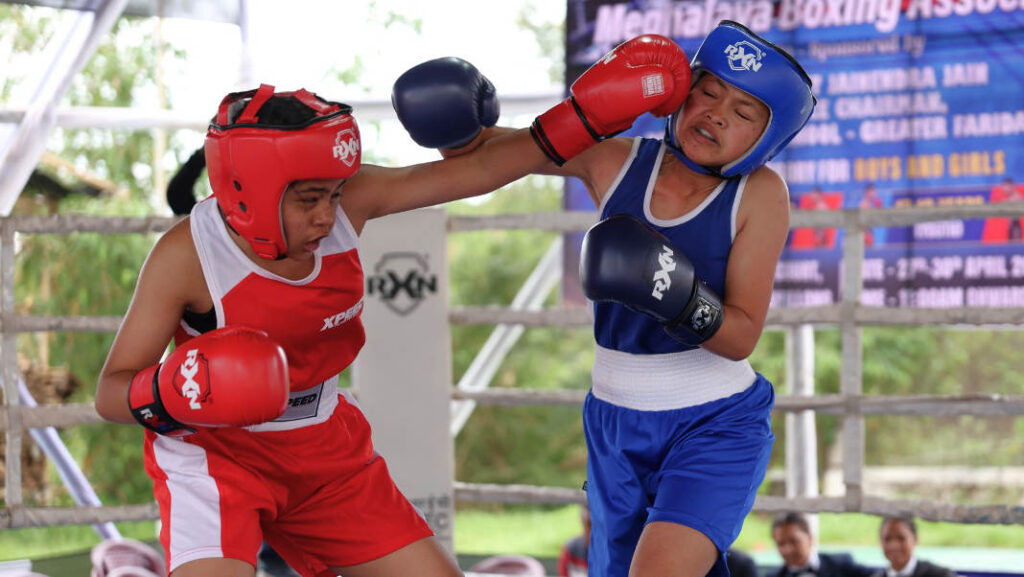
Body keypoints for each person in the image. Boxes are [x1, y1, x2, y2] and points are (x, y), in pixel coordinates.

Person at [95, 36, 690, 577]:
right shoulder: (188, 256)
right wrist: (174, 392)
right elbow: (111, 393)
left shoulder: (350, 201)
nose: (327, 216)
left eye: (333, 194)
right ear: (247, 191)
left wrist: (582, 117)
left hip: (324, 449)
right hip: (217, 459)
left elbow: (478, 169)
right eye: (308, 200)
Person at [414, 20, 813, 577]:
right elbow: (492, 156)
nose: (718, 113)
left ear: (768, 138)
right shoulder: (615, 160)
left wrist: (677, 296)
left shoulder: (760, 193)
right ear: (682, 92)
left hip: (715, 424)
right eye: (708, 91)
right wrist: (460, 127)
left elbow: (742, 334)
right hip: (614, 422)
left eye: (744, 112)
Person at [771, 513, 874, 577]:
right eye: (781, 544)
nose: (788, 549)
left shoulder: (841, 565)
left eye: (794, 541)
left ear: (810, 538)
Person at [873, 517, 958, 577]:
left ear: (915, 539)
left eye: (901, 538)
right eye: (887, 539)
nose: (894, 546)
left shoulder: (940, 575)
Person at [556, 504, 590, 577]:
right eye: (586, 524)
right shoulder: (570, 548)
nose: (588, 529)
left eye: (590, 524)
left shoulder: (606, 551)